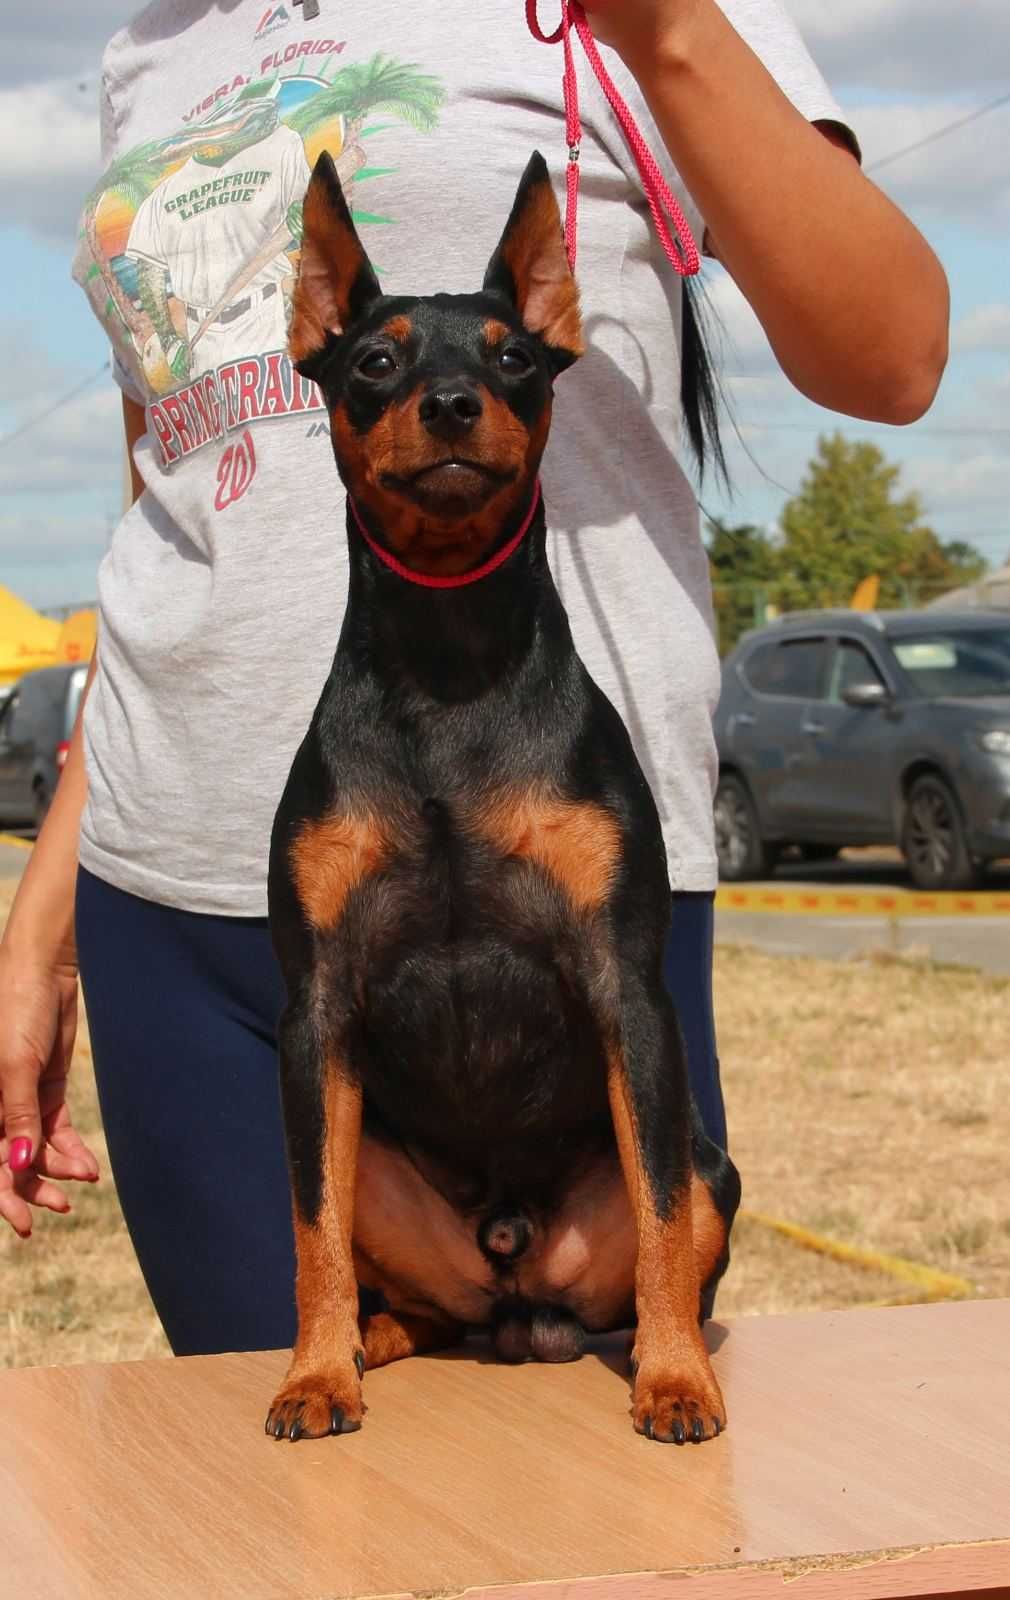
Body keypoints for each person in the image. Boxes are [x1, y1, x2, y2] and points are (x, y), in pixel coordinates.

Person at [0, 0, 948, 1356]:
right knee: (282, 1530)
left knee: (596, 1538)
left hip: (555, 856)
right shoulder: (151, 46)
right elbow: (177, 492)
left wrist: (667, 27)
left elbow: (895, 353)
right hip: (172, 901)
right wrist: (46, 914)